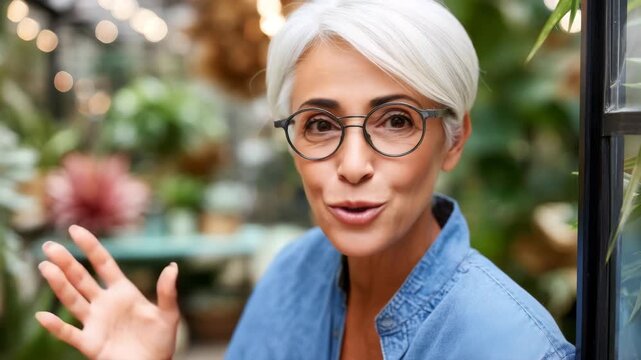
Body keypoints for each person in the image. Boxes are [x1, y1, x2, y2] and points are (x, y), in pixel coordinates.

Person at [35, 0, 576, 359]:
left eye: (396, 121)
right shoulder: (290, 276)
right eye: (320, 124)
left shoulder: (509, 344)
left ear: (453, 140)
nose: (354, 164)